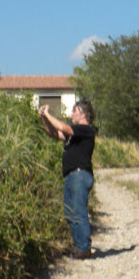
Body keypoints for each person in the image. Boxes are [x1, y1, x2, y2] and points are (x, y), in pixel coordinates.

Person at [39, 100, 97, 259]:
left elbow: (63, 127)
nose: (71, 114)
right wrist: (44, 118)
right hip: (72, 176)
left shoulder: (86, 130)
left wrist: (48, 114)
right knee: (70, 214)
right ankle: (79, 247)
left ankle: (84, 248)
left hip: (80, 175)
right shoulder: (75, 134)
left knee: (78, 212)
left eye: (74, 111)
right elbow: (54, 133)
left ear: (83, 113)